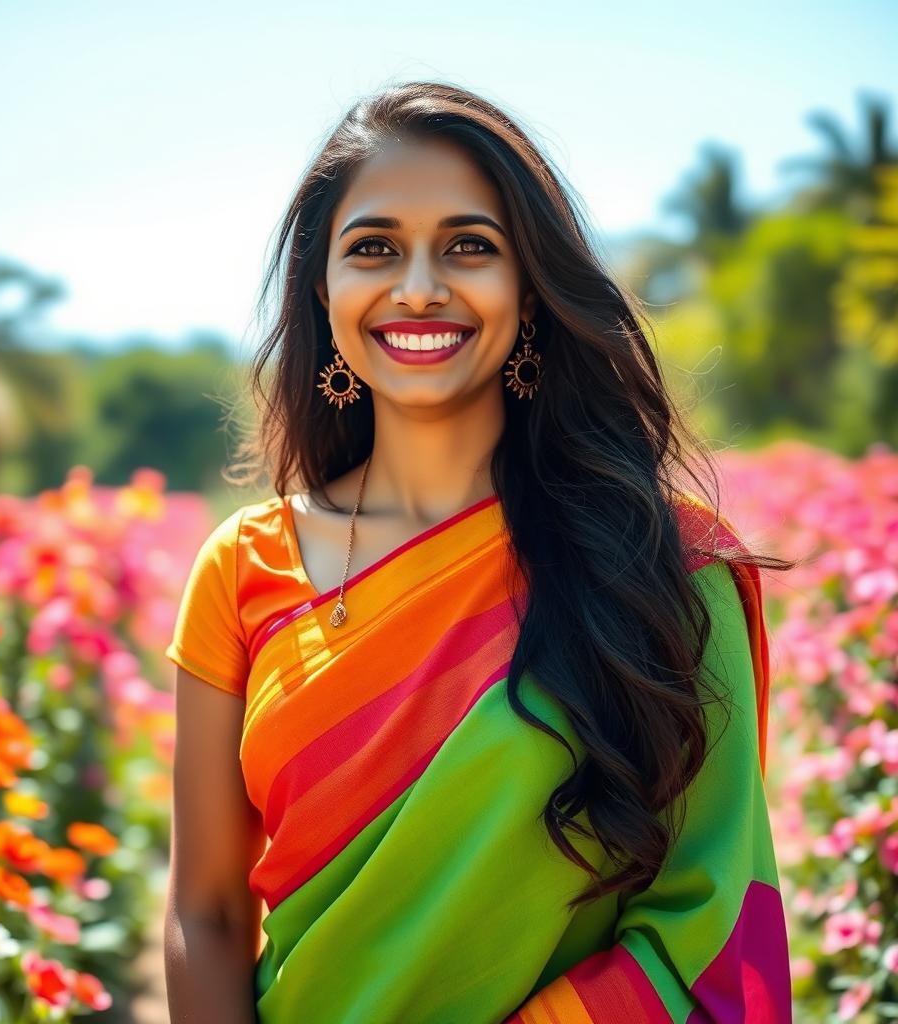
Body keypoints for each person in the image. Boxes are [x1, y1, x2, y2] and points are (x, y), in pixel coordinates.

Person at [163, 80, 796, 1024]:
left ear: (529, 290)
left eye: (470, 246)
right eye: (374, 248)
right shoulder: (245, 566)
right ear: (322, 290)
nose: (419, 286)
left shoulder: (662, 567)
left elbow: (708, 916)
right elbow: (205, 913)